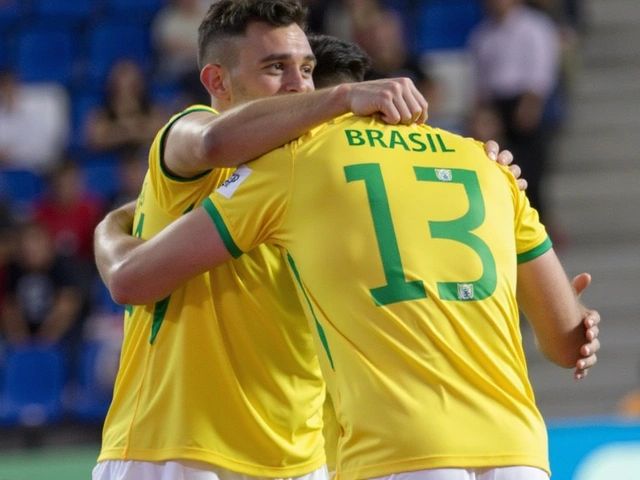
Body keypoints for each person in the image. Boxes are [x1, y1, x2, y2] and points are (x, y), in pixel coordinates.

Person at [97, 34, 601, 480]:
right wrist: (580, 325)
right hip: (519, 448)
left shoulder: (297, 164)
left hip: (397, 451)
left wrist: (118, 221)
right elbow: (566, 343)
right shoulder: (487, 165)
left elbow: (135, 278)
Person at [91, 1, 432, 479]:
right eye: (276, 68)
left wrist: (493, 174)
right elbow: (213, 143)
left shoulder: (319, 176)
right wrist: (343, 97)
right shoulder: (188, 133)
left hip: (299, 459)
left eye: (307, 69)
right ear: (217, 82)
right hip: (174, 451)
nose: (298, 84)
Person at [467, 0, 561, 225]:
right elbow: (480, 81)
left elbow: (541, 69)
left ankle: (539, 222)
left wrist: (530, 104)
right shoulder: (481, 35)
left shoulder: (535, 26)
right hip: (496, 107)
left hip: (526, 101)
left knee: (532, 170)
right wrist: (483, 113)